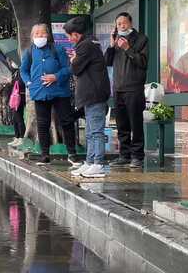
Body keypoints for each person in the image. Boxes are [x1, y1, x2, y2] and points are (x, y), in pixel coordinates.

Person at [20, 23, 81, 166]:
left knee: (66, 121)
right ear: (32, 36)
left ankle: (72, 153)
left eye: (42, 33)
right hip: (40, 92)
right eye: (37, 34)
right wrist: (29, 83)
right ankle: (45, 154)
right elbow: (23, 71)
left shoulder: (57, 49)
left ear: (47, 35)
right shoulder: (29, 52)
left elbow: (68, 69)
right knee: (43, 124)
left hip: (60, 91)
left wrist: (56, 76)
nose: (40, 36)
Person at [64, 17, 111, 178]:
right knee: (90, 132)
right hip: (91, 95)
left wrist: (73, 59)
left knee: (96, 131)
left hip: (94, 94)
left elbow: (75, 68)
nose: (69, 39)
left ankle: (98, 164)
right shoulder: (89, 44)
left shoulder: (85, 45)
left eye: (69, 36)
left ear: (76, 34)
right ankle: (90, 162)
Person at [105, 12, 149, 168]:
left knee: (135, 123)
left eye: (124, 23)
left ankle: (138, 156)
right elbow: (107, 62)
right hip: (118, 89)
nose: (121, 26)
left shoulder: (141, 39)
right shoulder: (116, 42)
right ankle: (124, 155)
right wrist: (111, 45)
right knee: (121, 124)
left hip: (134, 88)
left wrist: (128, 48)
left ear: (130, 23)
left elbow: (142, 62)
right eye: (118, 24)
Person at [8, 61, 26, 147]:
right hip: (14, 97)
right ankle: (17, 136)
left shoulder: (23, 71)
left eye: (13, 61)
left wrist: (12, 81)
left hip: (20, 97)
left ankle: (21, 137)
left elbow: (22, 83)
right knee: (14, 118)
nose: (12, 63)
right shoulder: (16, 72)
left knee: (19, 117)